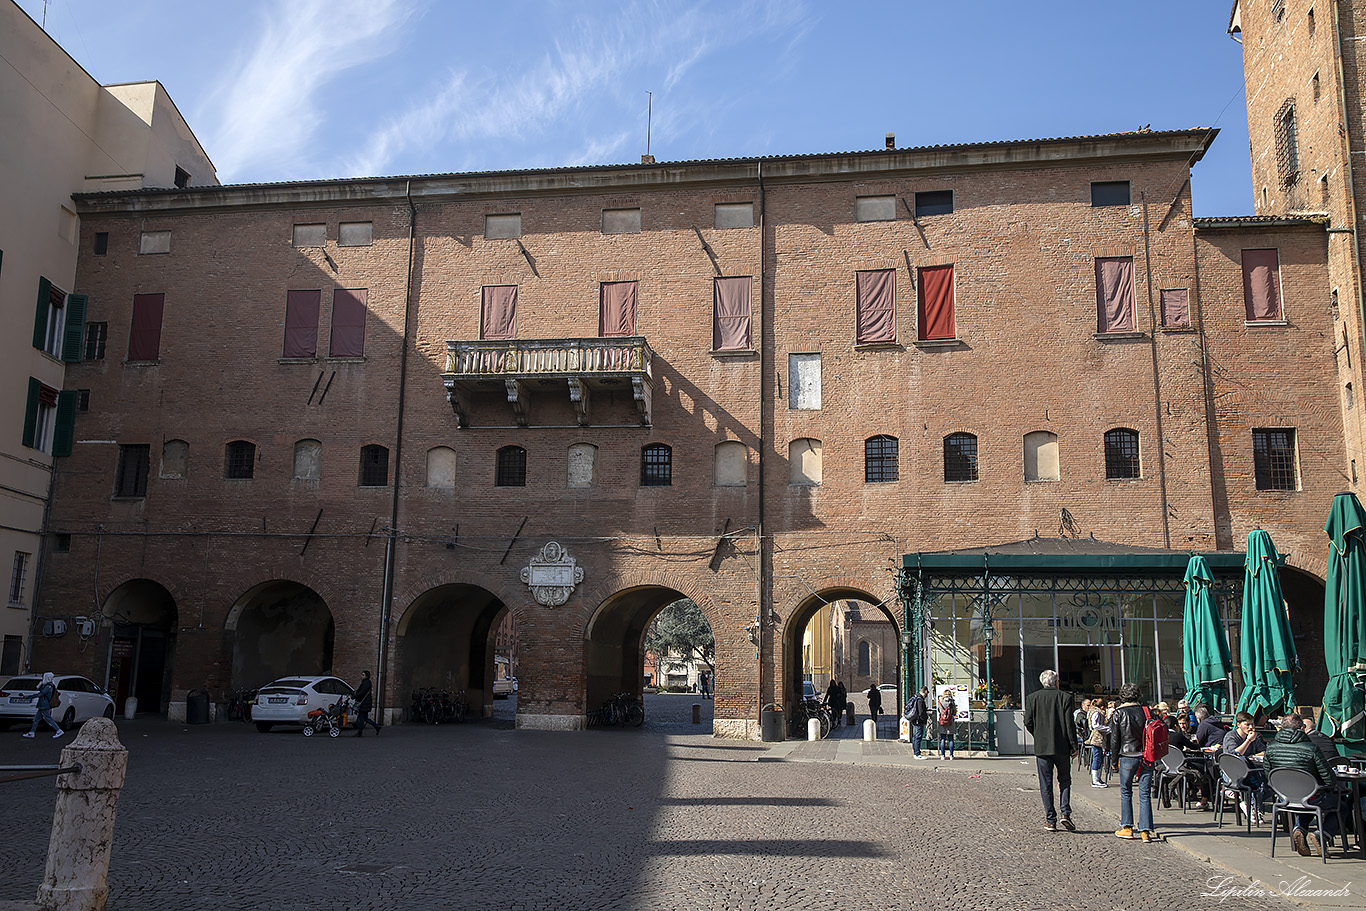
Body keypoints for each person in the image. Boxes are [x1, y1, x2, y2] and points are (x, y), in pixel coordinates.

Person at [1264, 712, 1345, 857]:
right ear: (1302, 728)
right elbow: (1329, 779)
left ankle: (1299, 829)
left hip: (1285, 798)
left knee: (1305, 802)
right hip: (1312, 797)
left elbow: (1268, 774)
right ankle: (1322, 835)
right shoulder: (1311, 748)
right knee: (1341, 805)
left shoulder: (1270, 748)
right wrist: (1327, 786)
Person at [1024, 669, 1079, 832]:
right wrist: (1073, 745)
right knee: (1065, 780)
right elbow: (1070, 725)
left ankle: (1051, 819)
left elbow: (1028, 722)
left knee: (1045, 784)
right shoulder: (1065, 697)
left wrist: (1038, 734)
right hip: (1061, 746)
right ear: (1056, 682)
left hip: (1042, 748)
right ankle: (1065, 813)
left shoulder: (1033, 698)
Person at [1107, 682, 1159, 842]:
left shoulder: (1118, 713)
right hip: (1146, 756)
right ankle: (1145, 831)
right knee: (1145, 794)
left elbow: (1114, 740)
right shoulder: (1146, 712)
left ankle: (1127, 827)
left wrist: (1114, 761)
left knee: (1126, 792)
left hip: (1127, 755)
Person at [23, 672, 64, 739]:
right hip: (42, 705)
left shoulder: (48, 686)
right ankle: (32, 732)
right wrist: (39, 686)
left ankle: (58, 730)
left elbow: (40, 694)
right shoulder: (48, 685)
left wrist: (27, 697)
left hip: (44, 705)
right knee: (36, 719)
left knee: (48, 718)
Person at [1087, 698, 1111, 788]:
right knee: (1097, 758)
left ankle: (1097, 778)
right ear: (1102, 707)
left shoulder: (1094, 711)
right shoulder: (1096, 713)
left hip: (1098, 738)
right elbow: (1095, 725)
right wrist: (1107, 729)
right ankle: (1095, 780)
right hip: (1097, 738)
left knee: (1099, 757)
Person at [352, 671, 381, 737]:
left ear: (366, 676)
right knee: (364, 718)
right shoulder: (365, 683)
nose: (361, 676)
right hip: (365, 702)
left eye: (363, 675)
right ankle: (376, 726)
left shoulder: (366, 683)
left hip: (364, 703)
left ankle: (360, 732)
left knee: (361, 718)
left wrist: (353, 697)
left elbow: (362, 692)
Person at [904, 686, 930, 757]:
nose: (927, 694)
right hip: (918, 721)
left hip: (914, 720)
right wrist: (924, 720)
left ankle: (916, 751)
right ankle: (917, 753)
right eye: (927, 692)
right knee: (918, 736)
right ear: (925, 692)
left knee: (915, 736)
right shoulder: (920, 700)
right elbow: (921, 712)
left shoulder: (916, 697)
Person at [936, 690, 957, 760]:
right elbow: (954, 712)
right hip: (950, 721)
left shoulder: (941, 701)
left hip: (942, 722)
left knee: (943, 738)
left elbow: (939, 710)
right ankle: (951, 755)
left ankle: (943, 755)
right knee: (951, 739)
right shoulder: (952, 701)